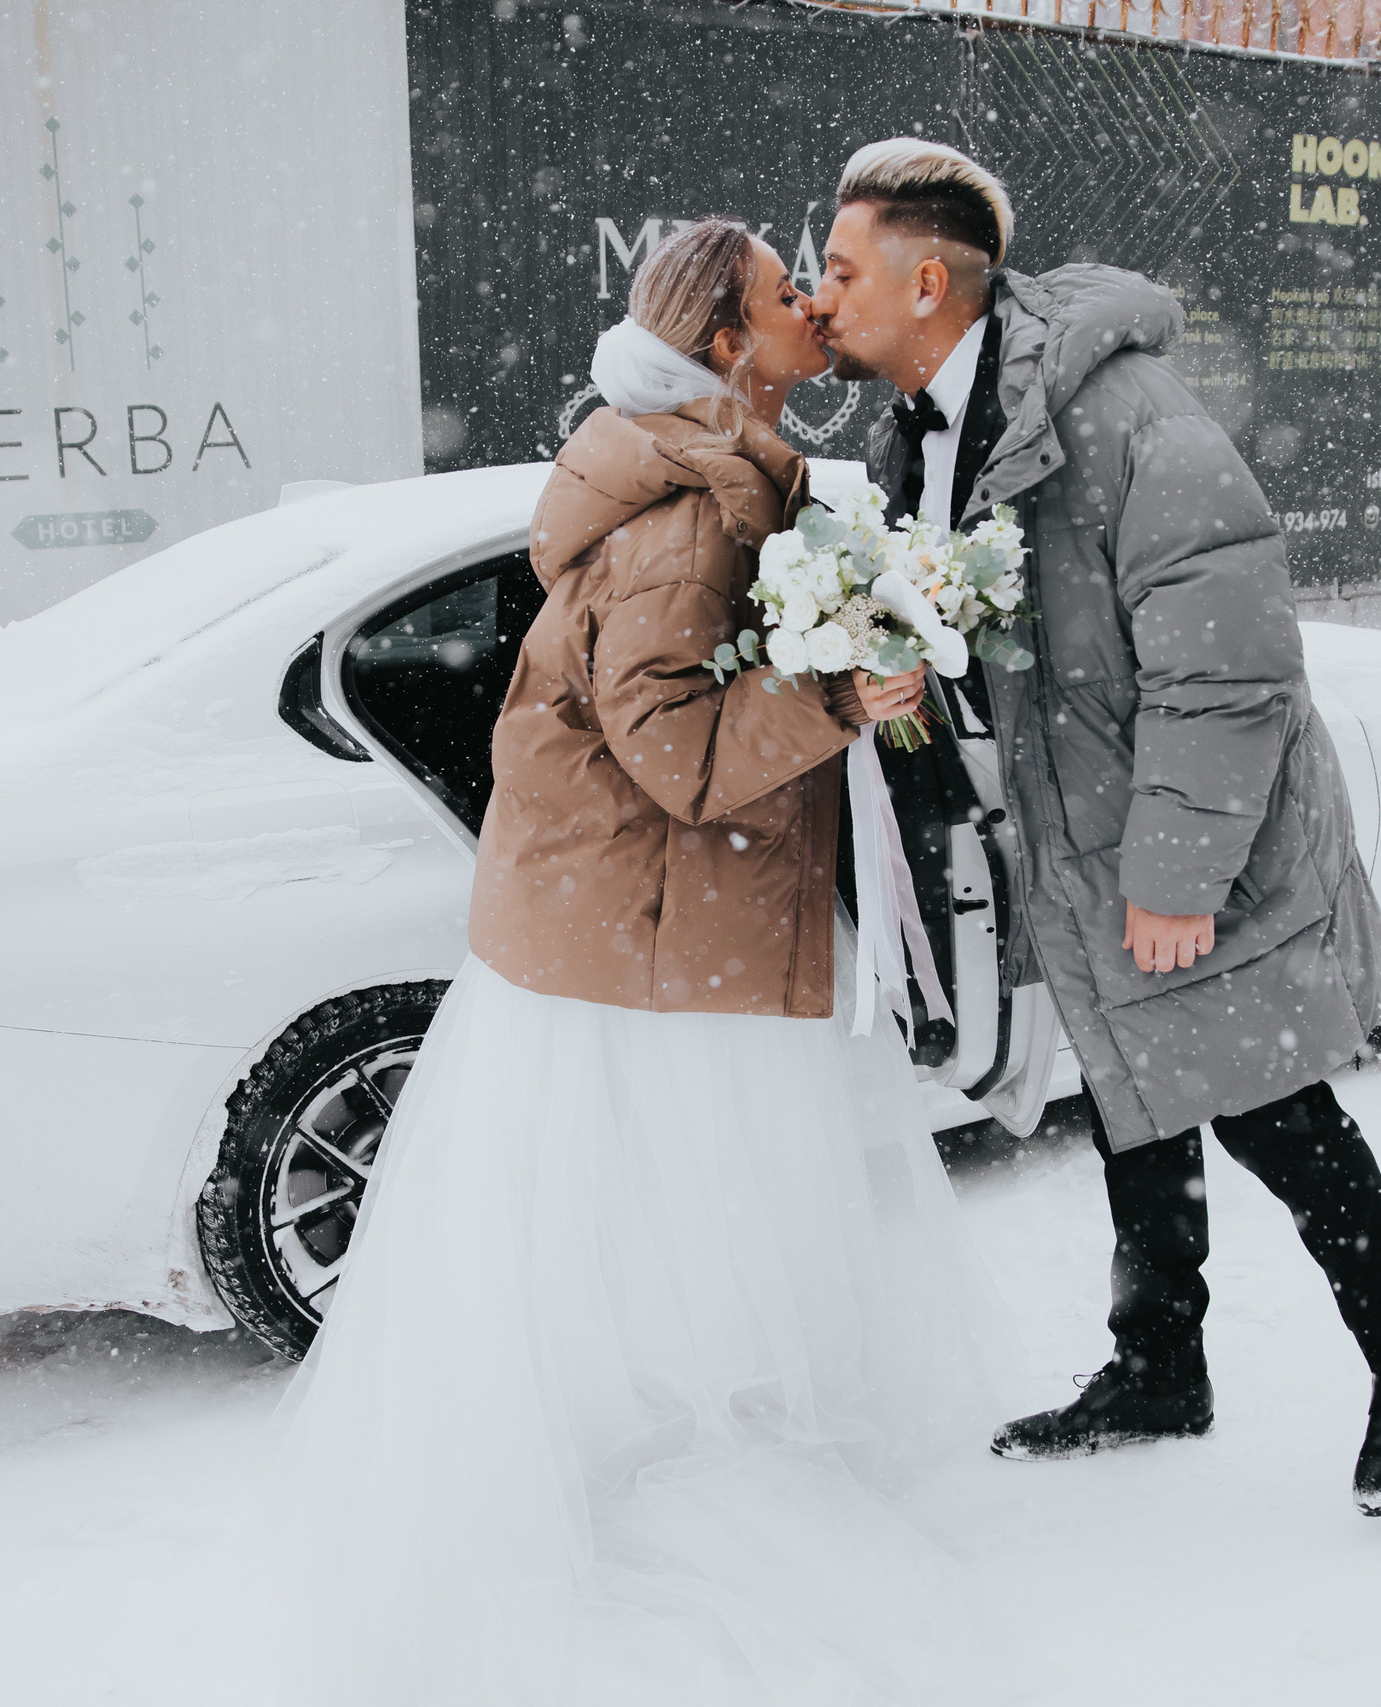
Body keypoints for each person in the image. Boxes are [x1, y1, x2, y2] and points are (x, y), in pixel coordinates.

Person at [256, 217, 1018, 1703]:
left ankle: (668, 1463)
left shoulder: (712, 475)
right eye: (782, 298)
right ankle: (671, 1508)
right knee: (689, 1259)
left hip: (652, 942)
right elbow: (676, 758)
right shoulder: (683, 520)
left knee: (642, 1262)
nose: (812, 310)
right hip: (661, 962)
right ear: (727, 349)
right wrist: (843, 691)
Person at [808, 138, 1381, 1516]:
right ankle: (1160, 1363)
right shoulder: (915, 431)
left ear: (930, 280)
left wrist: (1175, 873)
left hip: (1185, 844)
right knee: (1130, 1102)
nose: (822, 296)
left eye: (844, 268)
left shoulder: (1122, 410)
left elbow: (1227, 659)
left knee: (1271, 1108)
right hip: (1072, 835)